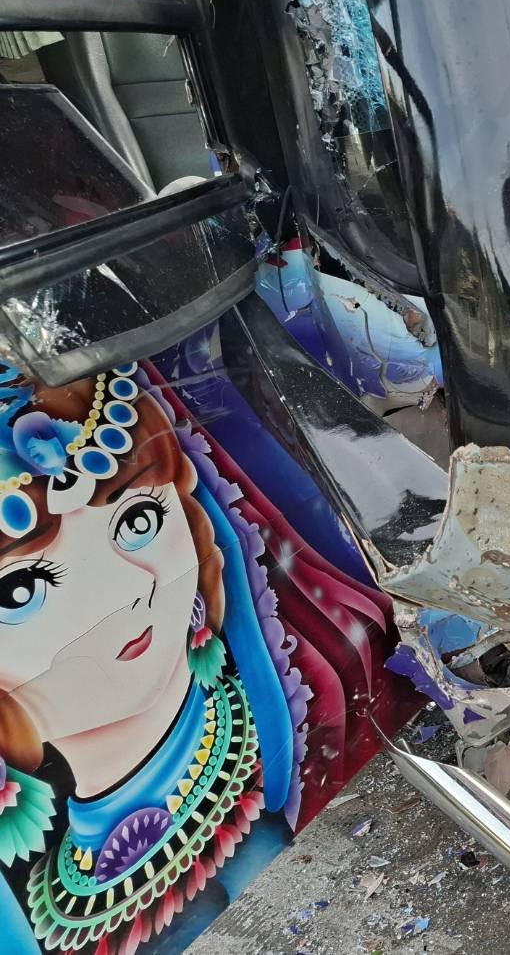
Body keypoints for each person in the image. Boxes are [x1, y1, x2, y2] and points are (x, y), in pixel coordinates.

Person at [0, 358, 399, 955]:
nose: (130, 589)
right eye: (21, 590)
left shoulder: (312, 708)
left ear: (191, 521)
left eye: (138, 519)